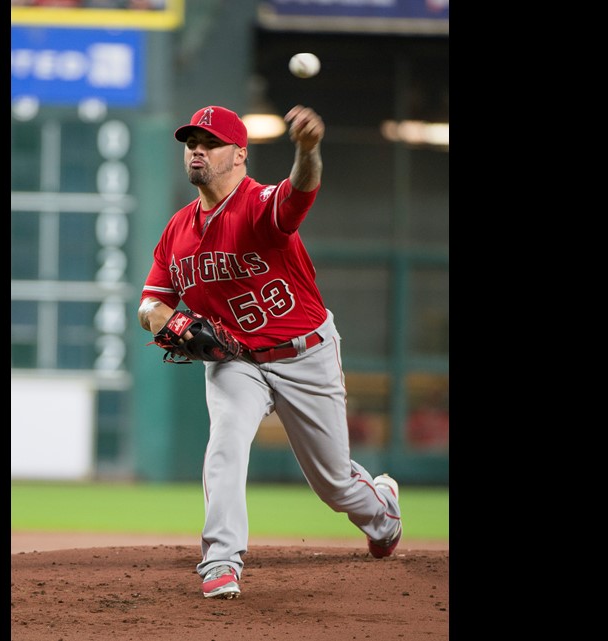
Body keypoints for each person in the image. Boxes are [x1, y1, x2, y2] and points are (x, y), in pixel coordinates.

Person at [136, 104, 403, 599]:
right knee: (226, 443)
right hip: (236, 361)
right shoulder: (178, 229)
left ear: (239, 155)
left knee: (334, 484)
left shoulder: (259, 204)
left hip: (305, 354)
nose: (197, 149)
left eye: (211, 143)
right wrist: (169, 319)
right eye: (192, 142)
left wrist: (307, 149)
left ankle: (382, 510)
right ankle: (220, 559)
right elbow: (151, 302)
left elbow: (300, 189)